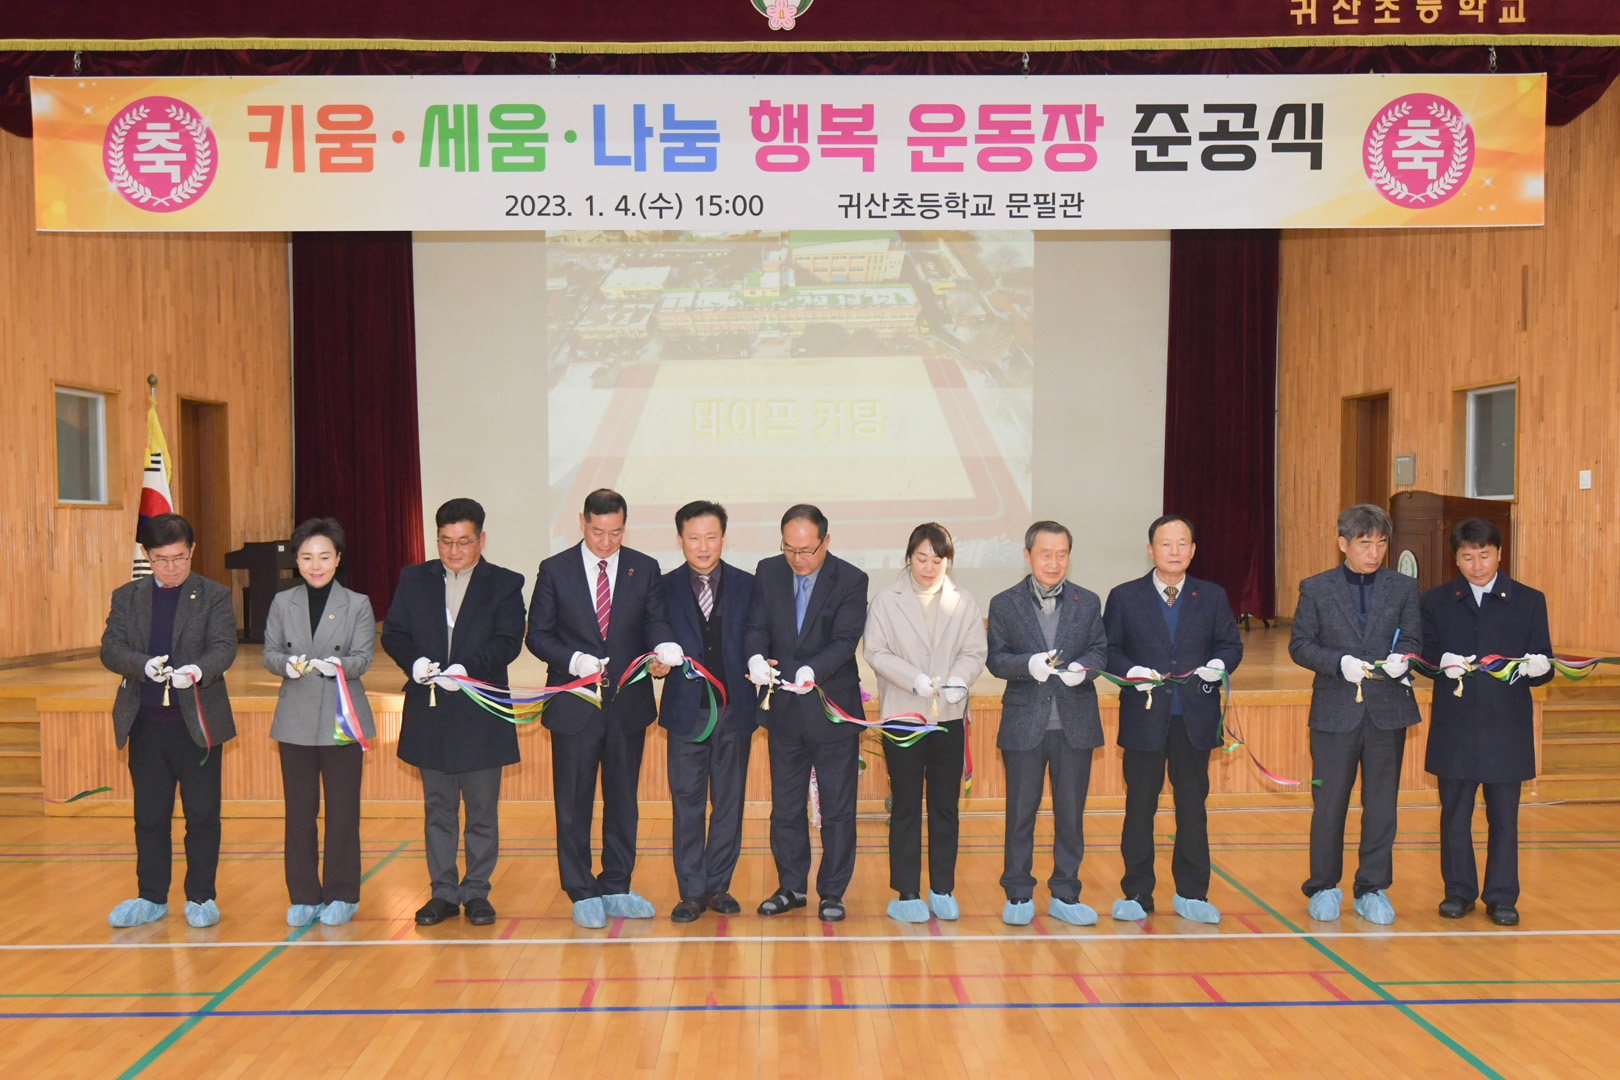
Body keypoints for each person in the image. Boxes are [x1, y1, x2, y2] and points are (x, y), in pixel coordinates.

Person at [526, 488, 680, 929]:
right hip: (575, 705)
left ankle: (616, 884)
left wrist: (663, 648)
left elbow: (654, 622)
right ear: (582, 522)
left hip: (626, 706)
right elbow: (537, 634)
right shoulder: (555, 569)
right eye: (598, 532)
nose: (606, 542)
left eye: (615, 532)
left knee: (623, 801)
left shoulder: (643, 568)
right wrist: (573, 660)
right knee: (573, 802)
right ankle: (580, 889)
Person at [381, 498, 526, 928]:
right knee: (438, 809)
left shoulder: (504, 583)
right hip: (431, 711)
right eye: (445, 542)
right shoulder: (414, 579)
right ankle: (443, 892)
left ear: (481, 539)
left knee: (481, 812)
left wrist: (468, 669)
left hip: (481, 711)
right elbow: (394, 633)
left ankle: (477, 891)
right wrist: (413, 663)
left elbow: (509, 640)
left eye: (464, 542)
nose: (454, 551)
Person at [99, 512, 238, 929]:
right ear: (146, 555)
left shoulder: (213, 595)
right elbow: (111, 648)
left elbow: (224, 647)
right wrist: (142, 666)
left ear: (191, 551)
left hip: (197, 725)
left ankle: (201, 897)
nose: (171, 567)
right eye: (161, 559)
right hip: (145, 723)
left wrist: (197, 670)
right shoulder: (127, 597)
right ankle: (151, 897)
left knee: (202, 814)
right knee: (150, 816)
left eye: (179, 557)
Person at [1102, 515, 1243, 926]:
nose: (1174, 551)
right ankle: (1136, 892)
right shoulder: (1124, 596)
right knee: (1139, 807)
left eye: (1183, 543)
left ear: (1193, 550)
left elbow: (1230, 644)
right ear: (1151, 550)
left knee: (1192, 808)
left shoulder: (1211, 595)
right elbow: (1108, 649)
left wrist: (1219, 665)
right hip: (1144, 718)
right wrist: (1131, 672)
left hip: (1194, 719)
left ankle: (1192, 892)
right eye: (1166, 544)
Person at [1288, 503, 1421, 925]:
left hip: (1387, 710)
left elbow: (1414, 638)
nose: (1374, 552)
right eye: (1365, 543)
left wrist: (1404, 659)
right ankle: (1323, 886)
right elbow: (1300, 645)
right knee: (1329, 804)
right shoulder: (1316, 588)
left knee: (1381, 805)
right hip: (1335, 709)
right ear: (1343, 543)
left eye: (1381, 543)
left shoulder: (1403, 587)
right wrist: (1338, 663)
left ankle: (1372, 888)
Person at [1418, 517, 1553, 926]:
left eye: (1484, 555)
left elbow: (1543, 663)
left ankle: (1502, 896)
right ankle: (1458, 892)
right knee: (1454, 815)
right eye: (1467, 557)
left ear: (1499, 554)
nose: (1477, 566)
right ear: (1455, 559)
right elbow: (1423, 657)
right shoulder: (1436, 601)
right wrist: (1439, 662)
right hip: (1455, 727)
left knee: (1504, 818)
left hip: (1505, 726)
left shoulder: (1529, 600)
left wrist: (1539, 667)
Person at [745, 504, 870, 923]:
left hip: (831, 710)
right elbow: (757, 626)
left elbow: (845, 640)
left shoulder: (850, 579)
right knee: (785, 806)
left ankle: (832, 891)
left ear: (825, 542)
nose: (797, 559)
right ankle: (791, 887)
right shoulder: (768, 571)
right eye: (789, 549)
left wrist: (812, 670)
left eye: (806, 551)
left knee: (837, 808)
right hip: (783, 710)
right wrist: (756, 658)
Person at [985, 520, 1108, 927]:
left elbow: (1100, 651)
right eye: (1045, 554)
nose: (1054, 563)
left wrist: (1085, 670)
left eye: (1061, 554)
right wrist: (1027, 665)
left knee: (1070, 815)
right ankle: (1018, 892)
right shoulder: (1004, 603)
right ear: (1027, 556)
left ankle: (1066, 892)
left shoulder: (1088, 601)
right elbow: (996, 659)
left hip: (1075, 724)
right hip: (1024, 724)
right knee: (1020, 813)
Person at [863, 522, 987, 923]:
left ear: (948, 561)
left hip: (948, 717)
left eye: (938, 560)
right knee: (905, 804)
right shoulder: (887, 600)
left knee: (944, 805)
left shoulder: (963, 600)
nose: (929, 567)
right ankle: (907, 892)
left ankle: (942, 888)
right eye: (921, 559)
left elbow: (974, 650)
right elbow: (875, 651)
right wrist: (911, 677)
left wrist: (960, 678)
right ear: (909, 558)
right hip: (904, 715)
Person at [261, 517, 375, 927]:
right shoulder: (282, 602)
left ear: (338, 559)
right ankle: (303, 895)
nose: (316, 565)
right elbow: (270, 653)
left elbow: (363, 657)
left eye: (324, 557)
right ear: (296, 560)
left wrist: (338, 665)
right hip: (295, 718)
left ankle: (342, 894)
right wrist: (285, 665)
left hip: (342, 717)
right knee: (299, 812)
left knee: (343, 812)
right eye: (307, 557)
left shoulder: (357, 603)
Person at [658, 501, 756, 923]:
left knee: (729, 801)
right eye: (694, 538)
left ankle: (718, 886)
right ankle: (691, 891)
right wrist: (655, 659)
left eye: (711, 537)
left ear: (723, 538)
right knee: (687, 802)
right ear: (680, 540)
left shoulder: (748, 585)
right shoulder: (662, 588)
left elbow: (759, 636)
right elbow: (652, 634)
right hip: (686, 714)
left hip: (735, 711)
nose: (703, 546)